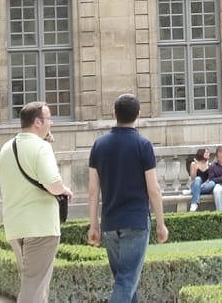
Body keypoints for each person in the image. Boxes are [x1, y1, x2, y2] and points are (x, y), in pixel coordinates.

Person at [87, 94, 169, 302]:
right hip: (135, 222)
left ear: (114, 114)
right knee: (126, 282)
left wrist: (93, 225)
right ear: (138, 115)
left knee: (126, 282)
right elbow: (154, 189)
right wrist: (161, 223)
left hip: (110, 223)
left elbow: (93, 190)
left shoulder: (99, 145)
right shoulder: (143, 144)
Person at [0, 101, 73, 303]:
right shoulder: (41, 148)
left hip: (15, 226)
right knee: (34, 286)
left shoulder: (6, 148)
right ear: (37, 122)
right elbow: (53, 183)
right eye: (49, 119)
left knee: (34, 284)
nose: (52, 123)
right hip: (40, 227)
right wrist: (64, 189)